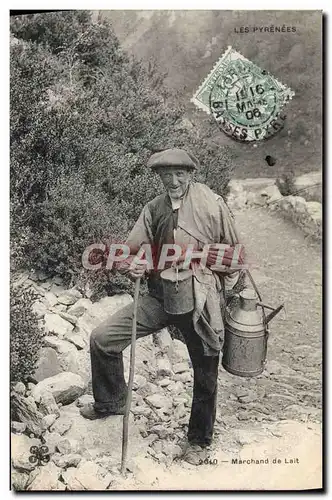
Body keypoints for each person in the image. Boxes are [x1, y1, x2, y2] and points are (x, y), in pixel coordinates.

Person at [80, 148, 244, 463]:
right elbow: (129, 251)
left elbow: (235, 256)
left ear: (190, 174)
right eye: (165, 175)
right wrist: (134, 265)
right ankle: (111, 401)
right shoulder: (154, 209)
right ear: (158, 177)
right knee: (102, 339)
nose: (172, 181)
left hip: (198, 297)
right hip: (158, 297)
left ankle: (198, 440)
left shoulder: (213, 205)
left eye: (179, 174)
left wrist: (198, 256)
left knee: (206, 365)